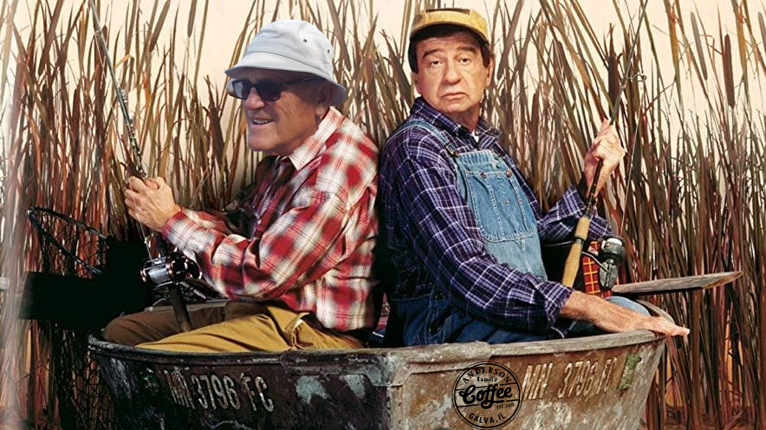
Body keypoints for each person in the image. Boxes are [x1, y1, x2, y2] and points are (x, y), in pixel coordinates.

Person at [378, 8, 689, 347]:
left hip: (502, 318)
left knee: (629, 311)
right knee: (608, 323)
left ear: (487, 69)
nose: (451, 75)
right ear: (417, 78)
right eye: (435, 62)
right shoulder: (415, 147)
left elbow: (533, 240)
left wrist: (589, 183)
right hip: (447, 328)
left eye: (464, 59)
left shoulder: (488, 146)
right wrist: (589, 307)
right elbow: (467, 273)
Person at [104, 20, 380, 353]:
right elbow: (242, 227)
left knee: (154, 358)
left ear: (320, 97)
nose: (250, 102)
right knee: (122, 333)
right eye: (244, 87)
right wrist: (169, 213)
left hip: (311, 334)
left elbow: (264, 273)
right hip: (264, 315)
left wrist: (171, 222)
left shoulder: (334, 172)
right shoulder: (289, 154)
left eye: (270, 88)